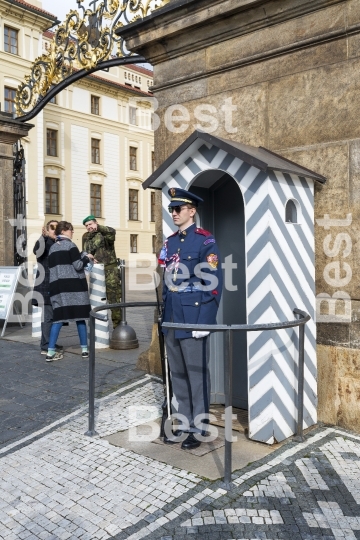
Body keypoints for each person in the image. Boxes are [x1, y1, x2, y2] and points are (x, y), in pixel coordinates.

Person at [160, 188, 223, 450]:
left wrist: (204, 322)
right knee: (178, 373)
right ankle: (184, 422)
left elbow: (214, 283)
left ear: (192, 211)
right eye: (171, 209)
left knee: (196, 374)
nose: (173, 213)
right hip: (173, 315)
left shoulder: (205, 241)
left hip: (194, 316)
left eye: (179, 209)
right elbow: (166, 280)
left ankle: (198, 427)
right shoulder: (170, 241)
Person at [46, 221, 94, 362]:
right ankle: (85, 350)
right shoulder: (71, 245)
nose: (73, 232)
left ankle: (50, 352)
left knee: (58, 320)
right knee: (80, 318)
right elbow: (78, 265)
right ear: (65, 230)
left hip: (58, 288)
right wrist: (87, 257)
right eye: (71, 230)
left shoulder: (53, 248)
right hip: (74, 287)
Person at [82, 216, 121, 329]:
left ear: (96, 223)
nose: (89, 227)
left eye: (91, 224)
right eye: (87, 225)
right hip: (96, 272)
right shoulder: (87, 238)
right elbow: (86, 252)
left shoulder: (104, 234)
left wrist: (99, 228)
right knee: (97, 299)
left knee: (113, 299)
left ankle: (117, 327)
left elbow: (112, 232)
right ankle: (100, 327)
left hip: (110, 272)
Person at [32, 219, 63, 359]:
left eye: (57, 228)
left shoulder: (57, 243)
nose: (54, 230)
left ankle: (50, 343)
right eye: (52, 227)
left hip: (55, 285)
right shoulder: (44, 242)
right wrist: (43, 237)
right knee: (49, 317)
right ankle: (45, 346)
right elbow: (37, 251)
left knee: (54, 317)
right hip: (46, 286)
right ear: (46, 229)